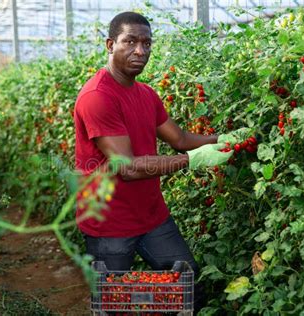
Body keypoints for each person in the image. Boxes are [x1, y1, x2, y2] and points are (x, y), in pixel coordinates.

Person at [74, 11, 238, 312]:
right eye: (130, 41)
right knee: (114, 305)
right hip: (109, 223)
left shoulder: (146, 94)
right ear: (110, 45)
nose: (140, 50)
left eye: (147, 43)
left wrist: (224, 138)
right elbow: (128, 167)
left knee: (189, 290)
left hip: (151, 216)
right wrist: (190, 160)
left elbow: (180, 138)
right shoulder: (97, 97)